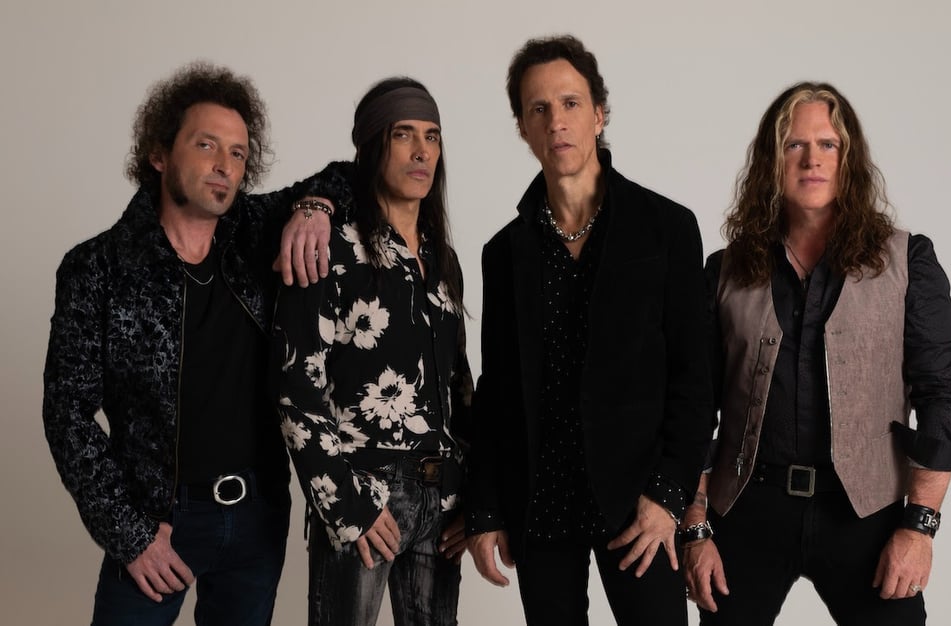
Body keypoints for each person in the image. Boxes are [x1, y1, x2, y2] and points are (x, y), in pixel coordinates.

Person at [684, 81, 951, 626]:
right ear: (771, 161)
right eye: (794, 145)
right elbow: (692, 405)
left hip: (865, 515)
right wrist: (696, 525)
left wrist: (919, 527)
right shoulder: (725, 271)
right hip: (748, 509)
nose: (813, 160)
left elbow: (939, 394)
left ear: (850, 159)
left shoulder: (908, 262)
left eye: (828, 144)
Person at [42, 61, 337, 625]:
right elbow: (66, 412)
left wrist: (313, 208)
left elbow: (345, 176)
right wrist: (129, 534)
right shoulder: (98, 267)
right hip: (156, 519)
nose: (225, 165)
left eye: (238, 153)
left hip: (256, 516)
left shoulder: (255, 235)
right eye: (207, 145)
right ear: (159, 154)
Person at [464, 35, 715, 625]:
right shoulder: (505, 251)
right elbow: (496, 391)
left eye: (571, 103)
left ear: (599, 114)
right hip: (541, 501)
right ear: (523, 129)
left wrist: (668, 496)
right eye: (539, 108)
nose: (556, 121)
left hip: (640, 503)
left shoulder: (667, 228)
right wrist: (485, 508)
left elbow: (694, 378)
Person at [272, 77, 472, 626]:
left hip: (442, 497)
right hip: (366, 487)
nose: (421, 151)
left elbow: (459, 385)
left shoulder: (443, 260)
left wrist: (473, 496)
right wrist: (345, 504)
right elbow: (295, 385)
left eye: (432, 136)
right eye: (403, 134)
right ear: (371, 145)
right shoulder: (330, 246)